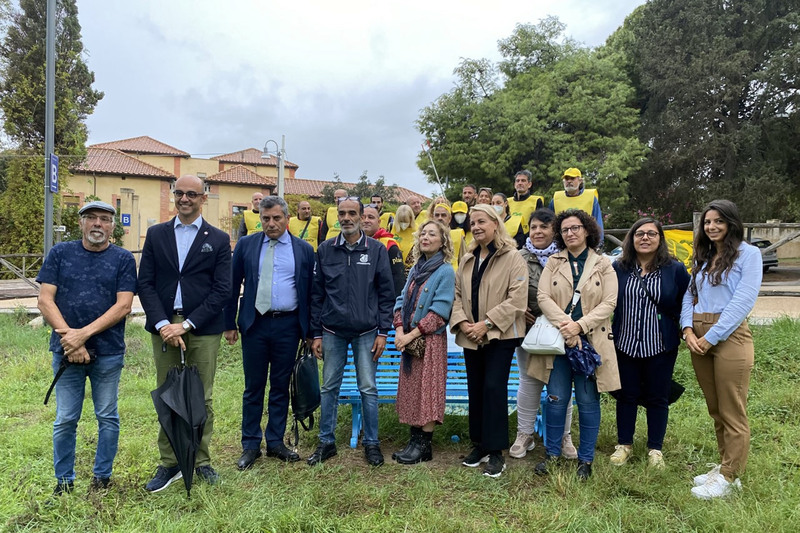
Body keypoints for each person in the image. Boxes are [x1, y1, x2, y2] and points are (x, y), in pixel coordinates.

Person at [138, 175, 232, 492]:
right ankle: (170, 463)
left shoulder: (218, 239)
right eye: (180, 193)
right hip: (163, 327)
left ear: (203, 198)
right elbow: (146, 284)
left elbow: (222, 290)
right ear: (173, 195)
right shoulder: (156, 234)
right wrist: (164, 324)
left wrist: (188, 324)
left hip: (202, 329)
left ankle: (201, 461)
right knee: (167, 395)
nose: (185, 199)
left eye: (192, 194)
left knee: (200, 397)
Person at [37, 201, 137, 496]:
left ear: (112, 226)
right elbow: (45, 300)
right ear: (81, 223)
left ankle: (102, 477)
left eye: (104, 219)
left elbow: (124, 305)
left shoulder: (122, 259)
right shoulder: (60, 253)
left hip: (107, 353)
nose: (97, 224)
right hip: (66, 353)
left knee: (107, 416)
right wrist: (70, 339)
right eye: (91, 218)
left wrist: (82, 335)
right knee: (66, 417)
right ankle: (64, 481)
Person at [223, 196, 315, 469]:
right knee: (253, 387)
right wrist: (229, 323)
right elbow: (232, 284)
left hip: (288, 325)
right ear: (260, 219)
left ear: (287, 218)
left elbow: (310, 293)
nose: (271, 223)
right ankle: (250, 444)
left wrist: (309, 331)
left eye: (276, 218)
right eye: (266, 219)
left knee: (280, 386)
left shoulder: (304, 250)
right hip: (255, 324)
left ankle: (275, 442)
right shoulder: (246, 245)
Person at [680, 199, 761, 500]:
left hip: (728, 336)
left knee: (732, 409)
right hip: (698, 334)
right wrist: (687, 329)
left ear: (731, 223)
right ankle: (727, 466)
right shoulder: (704, 257)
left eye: (718, 221)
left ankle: (729, 477)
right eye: (707, 222)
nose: (711, 227)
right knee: (716, 409)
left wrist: (712, 337)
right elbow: (690, 296)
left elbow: (742, 301)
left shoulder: (748, 255)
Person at [308, 197, 395, 467]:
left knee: (367, 387)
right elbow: (317, 294)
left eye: (352, 213)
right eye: (342, 213)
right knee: (329, 387)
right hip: (332, 330)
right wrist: (316, 334)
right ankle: (326, 442)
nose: (346, 218)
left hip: (367, 331)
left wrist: (383, 331)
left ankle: (371, 443)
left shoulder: (377, 250)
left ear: (361, 216)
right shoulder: (325, 250)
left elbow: (386, 294)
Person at [534, 208, 618, 481]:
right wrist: (568, 328)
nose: (570, 233)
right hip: (559, 343)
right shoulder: (553, 262)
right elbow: (543, 296)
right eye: (565, 229)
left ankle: (586, 460)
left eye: (575, 228)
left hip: (590, 344)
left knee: (587, 400)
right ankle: (552, 455)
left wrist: (580, 327)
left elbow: (609, 302)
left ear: (587, 230)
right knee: (556, 399)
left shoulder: (603, 263)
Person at [450, 204, 527, 478]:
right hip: (471, 335)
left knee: (494, 388)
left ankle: (496, 452)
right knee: (477, 388)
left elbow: (517, 299)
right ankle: (480, 444)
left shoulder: (513, 257)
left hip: (501, 335)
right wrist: (462, 324)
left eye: (482, 221)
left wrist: (487, 323)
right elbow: (457, 294)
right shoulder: (468, 257)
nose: (476, 226)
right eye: (473, 222)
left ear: (496, 223)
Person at [610, 218, 690, 469]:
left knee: (658, 397)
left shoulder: (674, 269)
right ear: (631, 239)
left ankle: (655, 448)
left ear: (660, 239)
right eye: (639, 233)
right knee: (626, 395)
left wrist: (685, 329)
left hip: (660, 344)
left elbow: (687, 302)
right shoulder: (619, 268)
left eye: (651, 234)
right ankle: (624, 445)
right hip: (625, 343)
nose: (645, 238)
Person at [511, 208, 577, 461]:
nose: (537, 232)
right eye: (534, 227)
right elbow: (508, 289)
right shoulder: (518, 257)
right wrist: (518, 310)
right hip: (529, 331)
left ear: (555, 230)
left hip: (562, 328)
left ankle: (563, 435)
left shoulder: (566, 256)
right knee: (529, 381)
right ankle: (524, 433)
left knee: (560, 384)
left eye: (544, 227)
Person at [392, 220, 456, 464]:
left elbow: (440, 312)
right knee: (412, 390)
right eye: (423, 234)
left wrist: (410, 335)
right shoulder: (417, 268)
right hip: (409, 340)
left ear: (443, 241)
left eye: (432, 234)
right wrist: (399, 328)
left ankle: (424, 446)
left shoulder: (445, 271)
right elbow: (401, 299)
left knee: (427, 392)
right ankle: (413, 442)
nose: (426, 237)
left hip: (428, 342)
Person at [362, 203, 406, 299]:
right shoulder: (352, 243)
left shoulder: (389, 244)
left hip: (381, 302)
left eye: (370, 217)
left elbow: (398, 279)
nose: (366, 220)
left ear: (379, 222)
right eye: (363, 217)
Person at [548, 168, 604, 240]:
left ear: (580, 181)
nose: (569, 181)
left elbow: (598, 222)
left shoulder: (591, 197)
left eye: (572, 178)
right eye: (566, 179)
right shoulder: (555, 199)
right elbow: (549, 223)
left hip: (586, 242)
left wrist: (599, 242)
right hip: (562, 243)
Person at [431, 203, 465, 271]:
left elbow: (463, 261)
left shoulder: (457, 235)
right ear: (433, 218)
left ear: (449, 218)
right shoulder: (427, 236)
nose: (440, 218)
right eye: (437, 215)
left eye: (443, 215)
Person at [392, 205, 417, 272]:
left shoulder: (418, 230)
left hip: (410, 270)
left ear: (411, 219)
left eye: (405, 222)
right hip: (394, 267)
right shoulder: (391, 227)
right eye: (401, 221)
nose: (403, 224)